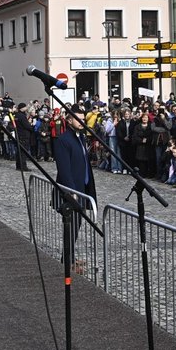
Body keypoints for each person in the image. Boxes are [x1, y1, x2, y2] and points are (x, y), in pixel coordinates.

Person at [53, 105, 98, 266]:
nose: (81, 121)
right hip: (72, 190)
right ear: (69, 119)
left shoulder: (81, 137)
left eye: (82, 118)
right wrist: (72, 191)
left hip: (83, 187)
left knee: (76, 225)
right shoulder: (63, 140)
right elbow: (64, 169)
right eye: (77, 118)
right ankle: (67, 261)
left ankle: (70, 258)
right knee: (71, 226)